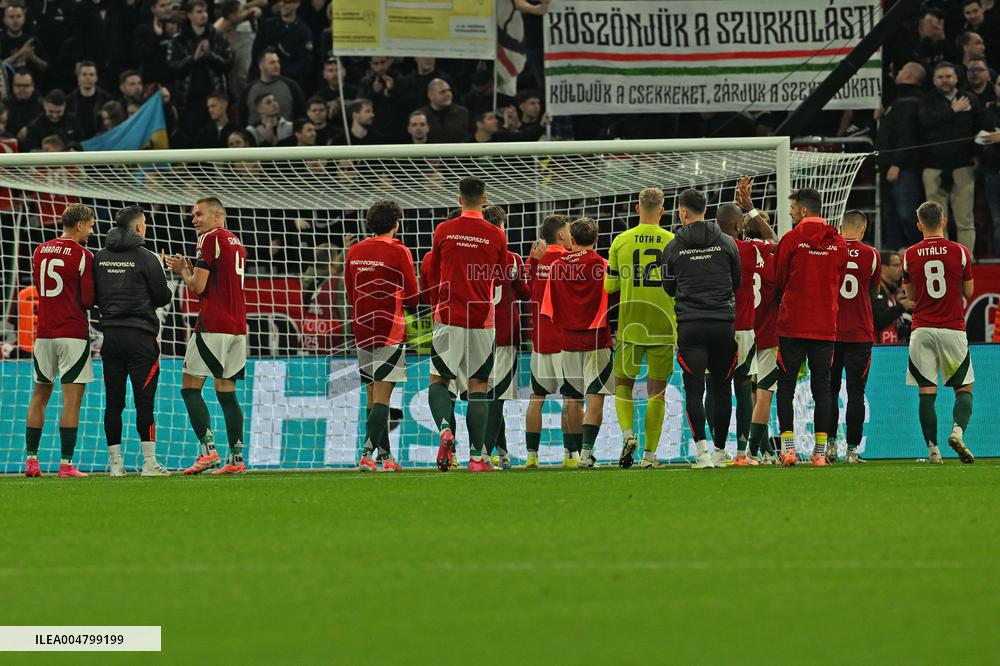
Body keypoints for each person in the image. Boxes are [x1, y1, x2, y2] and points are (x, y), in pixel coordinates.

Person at [421, 177, 508, 472]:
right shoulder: (496, 235)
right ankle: (476, 458)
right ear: (485, 200)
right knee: (479, 386)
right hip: (482, 319)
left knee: (440, 381)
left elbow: (432, 270)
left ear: (459, 200)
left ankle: (446, 430)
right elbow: (502, 272)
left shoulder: (443, 230)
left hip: (448, 317)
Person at [164, 198, 249, 475]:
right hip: (237, 327)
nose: (194, 220)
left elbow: (197, 287)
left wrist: (183, 271)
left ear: (217, 215)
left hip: (213, 324)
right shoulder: (236, 241)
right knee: (226, 392)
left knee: (190, 388)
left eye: (199, 214)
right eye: (192, 215)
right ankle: (236, 460)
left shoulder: (208, 238)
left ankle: (207, 451)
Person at [662, 189, 741, 469]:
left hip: (691, 326)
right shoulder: (727, 242)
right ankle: (721, 451)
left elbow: (668, 287)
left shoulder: (672, 247)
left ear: (683, 212)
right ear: (705, 210)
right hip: (722, 325)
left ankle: (702, 453)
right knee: (722, 387)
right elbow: (736, 282)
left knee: (694, 390)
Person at [93, 205, 173, 477]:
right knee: (144, 402)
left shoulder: (99, 256)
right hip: (140, 338)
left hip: (111, 338)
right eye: (145, 224)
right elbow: (163, 298)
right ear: (139, 227)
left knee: (114, 402)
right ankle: (149, 463)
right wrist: (161, 270)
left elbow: (92, 297)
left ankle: (116, 465)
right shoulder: (147, 256)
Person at [773, 188, 847, 467]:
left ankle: (788, 449)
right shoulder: (838, 243)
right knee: (822, 388)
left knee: (787, 385)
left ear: (803, 211)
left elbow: (778, 277)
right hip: (824, 324)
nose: (790, 214)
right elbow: (837, 278)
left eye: (792, 209)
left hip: (792, 323)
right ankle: (819, 453)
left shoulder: (791, 240)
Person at [344, 199, 419, 472]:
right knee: (383, 399)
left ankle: (385, 457)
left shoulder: (355, 251)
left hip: (362, 328)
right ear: (396, 223)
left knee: (373, 396)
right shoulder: (400, 251)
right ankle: (366, 454)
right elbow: (412, 296)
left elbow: (350, 294)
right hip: (389, 329)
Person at [604, 187, 676, 468]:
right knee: (657, 392)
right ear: (662, 210)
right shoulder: (673, 241)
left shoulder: (621, 240)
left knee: (623, 384)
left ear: (636, 208)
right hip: (663, 325)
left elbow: (610, 286)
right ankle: (649, 456)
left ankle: (627, 434)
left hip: (631, 326)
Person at [24, 203, 96, 478]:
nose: (91, 230)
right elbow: (88, 300)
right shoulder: (82, 254)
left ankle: (32, 460)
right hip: (72, 334)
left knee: (39, 396)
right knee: (71, 401)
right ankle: (66, 465)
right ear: (78, 225)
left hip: (44, 333)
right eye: (89, 225)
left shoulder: (40, 250)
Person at [903, 201, 976, 464]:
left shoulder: (909, 254)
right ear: (944, 221)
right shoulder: (961, 252)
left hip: (922, 329)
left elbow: (910, 295)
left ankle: (933, 451)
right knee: (964, 387)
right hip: (952, 328)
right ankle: (957, 432)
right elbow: (968, 292)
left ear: (919, 225)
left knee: (926, 392)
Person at [542, 216, 614, 469]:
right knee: (595, 397)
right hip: (597, 340)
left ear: (572, 239)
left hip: (568, 342)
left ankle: (570, 455)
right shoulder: (604, 265)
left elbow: (549, 310)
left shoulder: (557, 266)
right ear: (596, 239)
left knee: (573, 398)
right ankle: (585, 454)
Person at [917, 61, 989, 253]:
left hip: (962, 167)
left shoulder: (970, 98)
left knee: (964, 219)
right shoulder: (926, 100)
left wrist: (977, 155)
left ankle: (966, 261)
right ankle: (942, 258)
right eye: (940, 77)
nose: (945, 81)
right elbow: (925, 122)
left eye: (948, 76)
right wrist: (952, 110)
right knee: (935, 222)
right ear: (933, 80)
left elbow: (979, 127)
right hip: (934, 168)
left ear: (956, 77)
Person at [828, 211, 880, 464]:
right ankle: (851, 451)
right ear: (864, 229)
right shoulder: (872, 255)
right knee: (856, 392)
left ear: (840, 227)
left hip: (830, 332)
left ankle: (827, 448)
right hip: (859, 333)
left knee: (828, 391)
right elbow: (874, 291)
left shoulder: (829, 250)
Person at [524, 214, 573, 468]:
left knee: (536, 397)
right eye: (569, 231)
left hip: (541, 342)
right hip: (566, 342)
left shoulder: (535, 261)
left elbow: (525, 289)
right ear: (562, 235)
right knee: (571, 399)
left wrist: (533, 262)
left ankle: (532, 456)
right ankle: (571, 456)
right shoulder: (570, 260)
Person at [482, 204, 528, 470]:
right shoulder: (512, 259)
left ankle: (502, 452)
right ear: (500, 227)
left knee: (485, 394)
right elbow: (526, 293)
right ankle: (485, 454)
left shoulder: (473, 257)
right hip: (505, 335)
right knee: (497, 397)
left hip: (475, 334)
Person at [716, 201, 760, 465]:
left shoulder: (707, 250)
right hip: (743, 328)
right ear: (738, 224)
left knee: (716, 388)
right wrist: (752, 211)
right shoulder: (748, 249)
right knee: (743, 388)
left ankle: (718, 451)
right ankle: (742, 453)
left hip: (715, 327)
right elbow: (775, 242)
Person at [167, 0, 234, 136]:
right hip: (188, 99)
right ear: (189, 15)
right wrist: (193, 58)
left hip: (213, 94)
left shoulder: (218, 36)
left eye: (205, 11)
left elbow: (229, 63)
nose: (204, 15)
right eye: (199, 12)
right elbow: (172, 67)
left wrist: (209, 55)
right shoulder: (178, 40)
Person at [878, 62, 926, 251]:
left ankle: (918, 249)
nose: (897, 73)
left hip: (903, 169)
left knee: (906, 213)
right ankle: (893, 255)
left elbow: (908, 136)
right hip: (892, 167)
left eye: (901, 70)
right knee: (892, 214)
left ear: (908, 76)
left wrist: (897, 163)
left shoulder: (910, 102)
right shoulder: (899, 101)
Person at [251, 0, 313, 88]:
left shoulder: (303, 32)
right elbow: (256, 53)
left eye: (287, 1)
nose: (283, 4)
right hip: (263, 78)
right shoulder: (267, 25)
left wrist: (280, 71)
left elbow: (304, 63)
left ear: (297, 4)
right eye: (281, 1)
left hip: (288, 82)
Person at [873, 250, 914, 344]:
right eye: (896, 265)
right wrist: (901, 306)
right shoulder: (877, 290)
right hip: (879, 350)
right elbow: (877, 320)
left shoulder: (892, 291)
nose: (900, 269)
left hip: (891, 348)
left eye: (901, 265)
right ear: (883, 268)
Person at [65, 60, 111, 140]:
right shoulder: (69, 100)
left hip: (99, 142)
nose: (88, 78)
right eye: (84, 74)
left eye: (91, 75)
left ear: (96, 78)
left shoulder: (106, 99)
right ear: (78, 77)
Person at [418, 78, 469, 144]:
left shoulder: (463, 113)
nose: (448, 94)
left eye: (449, 90)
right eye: (442, 92)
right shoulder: (421, 116)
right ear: (430, 95)